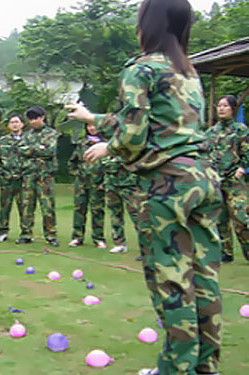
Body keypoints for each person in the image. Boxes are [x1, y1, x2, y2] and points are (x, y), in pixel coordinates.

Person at [66, 1, 223, 374]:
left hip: (167, 186)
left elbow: (133, 136)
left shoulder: (141, 68)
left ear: (147, 23)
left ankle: (175, 369)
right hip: (201, 179)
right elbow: (160, 123)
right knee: (204, 280)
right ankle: (205, 367)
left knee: (171, 282)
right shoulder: (187, 71)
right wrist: (96, 119)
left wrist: (110, 146)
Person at [206, 95, 249, 263]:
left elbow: (247, 151)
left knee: (241, 219)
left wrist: (242, 168)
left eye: (225, 106)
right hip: (216, 181)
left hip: (234, 181)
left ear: (233, 109)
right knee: (220, 219)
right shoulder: (211, 132)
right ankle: (226, 252)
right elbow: (204, 154)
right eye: (219, 105)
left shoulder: (240, 129)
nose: (221, 108)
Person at [16, 105, 59, 246]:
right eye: (31, 119)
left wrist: (31, 150)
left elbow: (50, 151)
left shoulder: (51, 133)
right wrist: (38, 148)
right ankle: (26, 234)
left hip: (45, 175)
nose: (33, 121)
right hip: (29, 174)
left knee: (47, 206)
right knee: (27, 206)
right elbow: (21, 150)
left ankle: (51, 235)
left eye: (36, 118)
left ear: (42, 118)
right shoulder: (27, 135)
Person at [99, 114, 141, 255]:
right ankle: (119, 243)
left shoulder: (127, 141)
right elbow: (104, 164)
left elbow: (128, 160)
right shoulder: (108, 143)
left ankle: (146, 247)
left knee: (137, 216)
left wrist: (113, 162)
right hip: (111, 183)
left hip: (129, 184)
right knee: (115, 214)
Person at [67, 123, 107, 249]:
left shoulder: (106, 144)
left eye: (94, 126)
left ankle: (98, 238)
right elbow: (72, 162)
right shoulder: (82, 144)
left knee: (97, 210)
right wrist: (77, 174)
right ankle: (77, 237)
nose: (92, 128)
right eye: (89, 126)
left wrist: (105, 181)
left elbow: (112, 164)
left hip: (98, 183)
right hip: (82, 183)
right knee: (79, 209)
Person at [0, 114, 26, 242]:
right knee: (5, 207)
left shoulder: (28, 139)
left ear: (22, 124)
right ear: (8, 125)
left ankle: (26, 233)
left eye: (17, 122)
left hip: (23, 179)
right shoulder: (2, 141)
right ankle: (3, 232)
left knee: (24, 207)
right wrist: (2, 173)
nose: (14, 124)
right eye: (12, 122)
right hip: (7, 179)